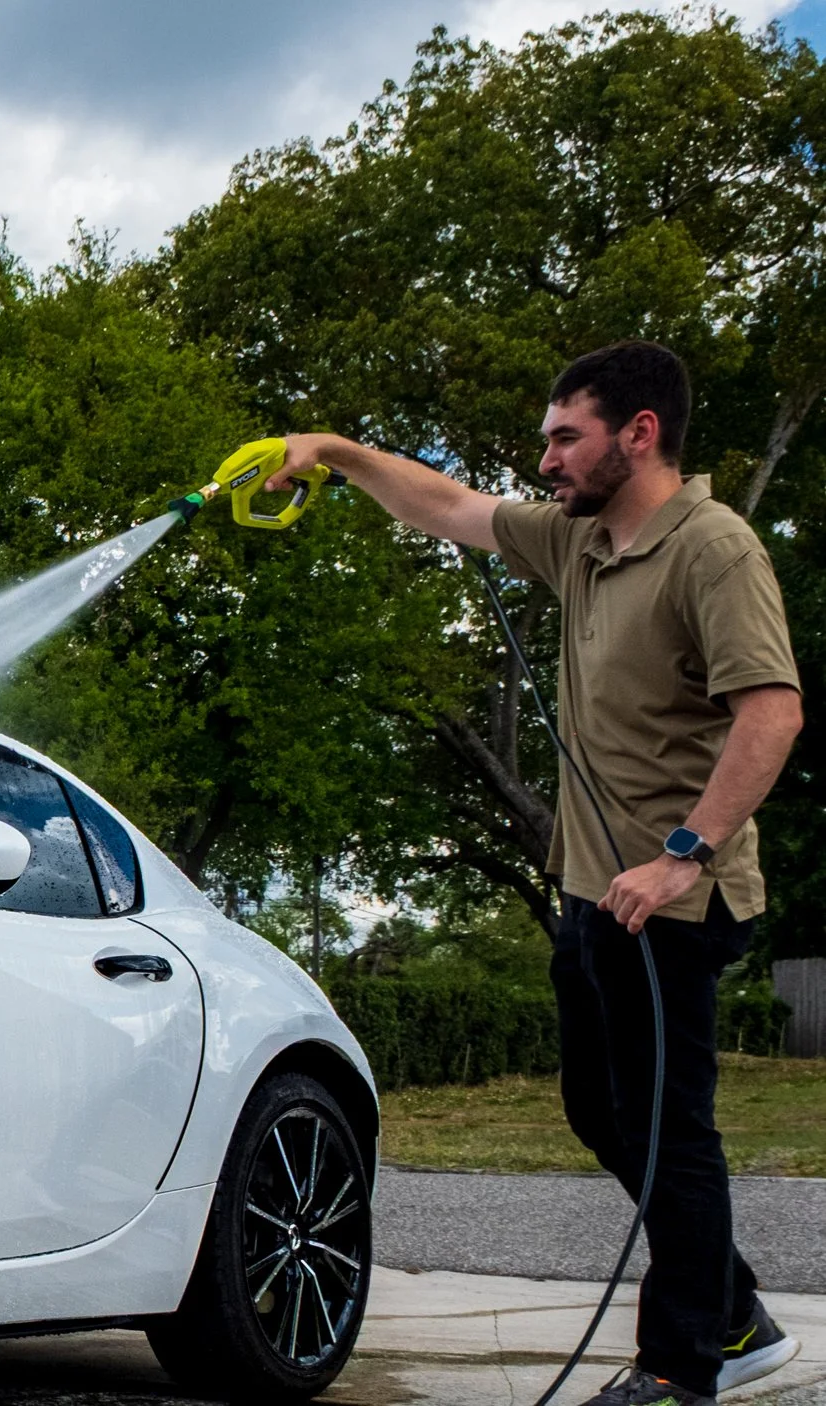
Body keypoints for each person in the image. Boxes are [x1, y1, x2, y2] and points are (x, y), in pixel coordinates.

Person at [266, 341, 804, 1406]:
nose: (547, 458)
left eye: (567, 436)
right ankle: (730, 1303)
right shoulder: (579, 541)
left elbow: (772, 710)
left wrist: (679, 854)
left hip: (673, 895)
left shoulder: (714, 549)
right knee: (599, 1109)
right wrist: (326, 447)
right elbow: (446, 505)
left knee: (665, 1123)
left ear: (637, 433)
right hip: (591, 889)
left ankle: (684, 1359)